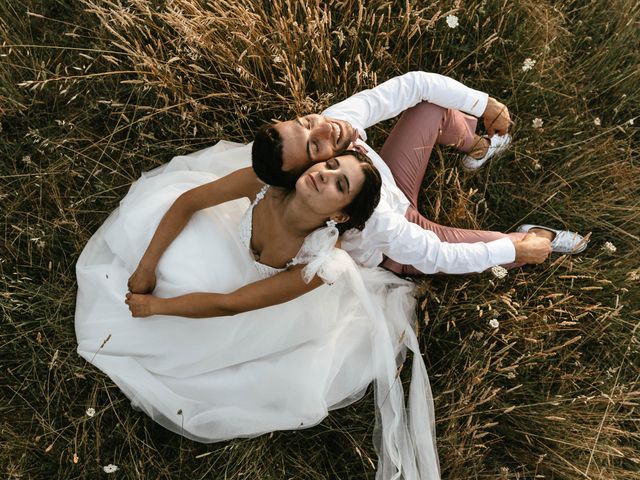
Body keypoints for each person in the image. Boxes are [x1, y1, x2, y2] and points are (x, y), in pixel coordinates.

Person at [75, 149, 441, 479]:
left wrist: (158, 307)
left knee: (431, 250)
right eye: (329, 165)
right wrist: (146, 267)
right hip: (228, 251)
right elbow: (189, 202)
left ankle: (481, 242)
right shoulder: (268, 183)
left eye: (339, 183)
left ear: (339, 213)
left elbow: (232, 304)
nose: (325, 174)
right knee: (172, 266)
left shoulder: (323, 263)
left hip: (262, 304)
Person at [252, 71, 587, 275]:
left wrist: (484, 104)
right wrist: (514, 251)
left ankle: (478, 146)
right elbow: (438, 255)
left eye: (306, 122)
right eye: (314, 148)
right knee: (502, 249)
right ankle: (539, 239)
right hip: (397, 244)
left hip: (392, 184)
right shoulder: (369, 216)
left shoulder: (331, 126)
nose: (326, 129)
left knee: (430, 105)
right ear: (308, 172)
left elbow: (414, 85)